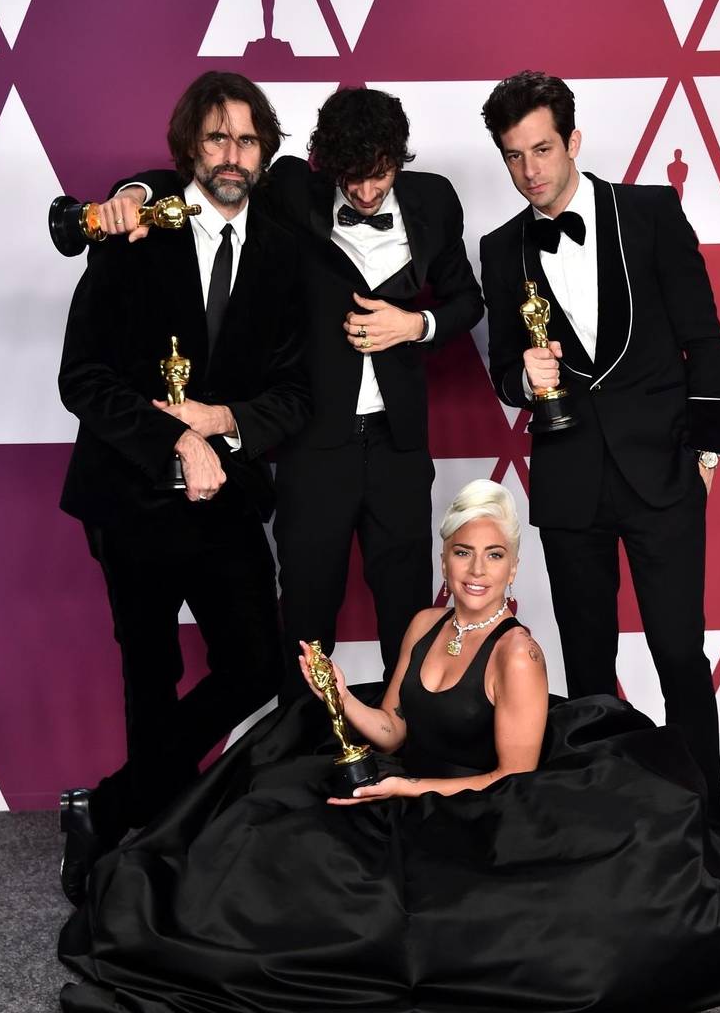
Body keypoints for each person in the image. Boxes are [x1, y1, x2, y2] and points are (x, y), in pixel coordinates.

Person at [58, 480, 720, 1013]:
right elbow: (396, 728)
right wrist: (339, 695)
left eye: (494, 556)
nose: (477, 571)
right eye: (464, 552)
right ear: (444, 555)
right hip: (410, 782)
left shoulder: (520, 658)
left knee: (362, 904)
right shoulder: (425, 623)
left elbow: (514, 781)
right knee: (267, 817)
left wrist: (411, 791)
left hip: (479, 810)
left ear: (513, 568)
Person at [102, 87, 484, 695]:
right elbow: (203, 177)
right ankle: (298, 758)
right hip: (312, 442)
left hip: (400, 445)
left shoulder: (435, 200)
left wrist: (415, 325)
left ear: (400, 158)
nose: (364, 193)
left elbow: (467, 299)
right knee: (306, 613)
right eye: (350, 179)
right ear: (324, 165)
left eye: (379, 175)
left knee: (408, 611)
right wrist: (136, 194)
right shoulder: (287, 190)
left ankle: (406, 753)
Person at [57, 71, 310, 907]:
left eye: (246, 139)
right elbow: (82, 377)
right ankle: (151, 857)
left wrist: (222, 422)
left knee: (258, 666)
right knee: (150, 671)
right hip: (129, 496)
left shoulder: (282, 248)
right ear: (188, 148)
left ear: (264, 151)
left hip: (225, 497)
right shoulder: (138, 225)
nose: (231, 155)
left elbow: (293, 392)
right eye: (216, 138)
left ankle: (111, 807)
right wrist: (174, 437)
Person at [479, 71, 720, 834]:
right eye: (515, 156)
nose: (532, 170)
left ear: (574, 142)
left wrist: (709, 451)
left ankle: (706, 828)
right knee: (589, 673)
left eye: (544, 149)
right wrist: (521, 378)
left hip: (663, 470)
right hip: (568, 483)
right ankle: (607, 831)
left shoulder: (650, 211)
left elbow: (703, 339)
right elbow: (501, 375)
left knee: (679, 657)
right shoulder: (500, 249)